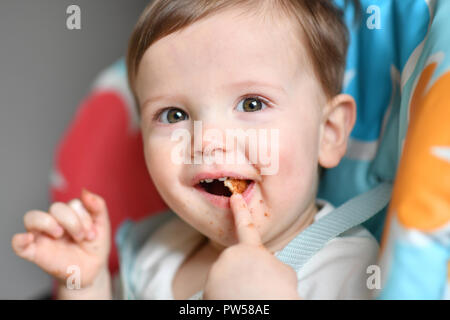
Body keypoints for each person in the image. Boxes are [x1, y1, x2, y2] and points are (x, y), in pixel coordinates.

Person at [11, 0, 379, 299]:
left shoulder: (352, 271)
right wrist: (86, 285)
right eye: (174, 114)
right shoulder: (155, 254)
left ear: (328, 132)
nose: (206, 141)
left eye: (252, 104)